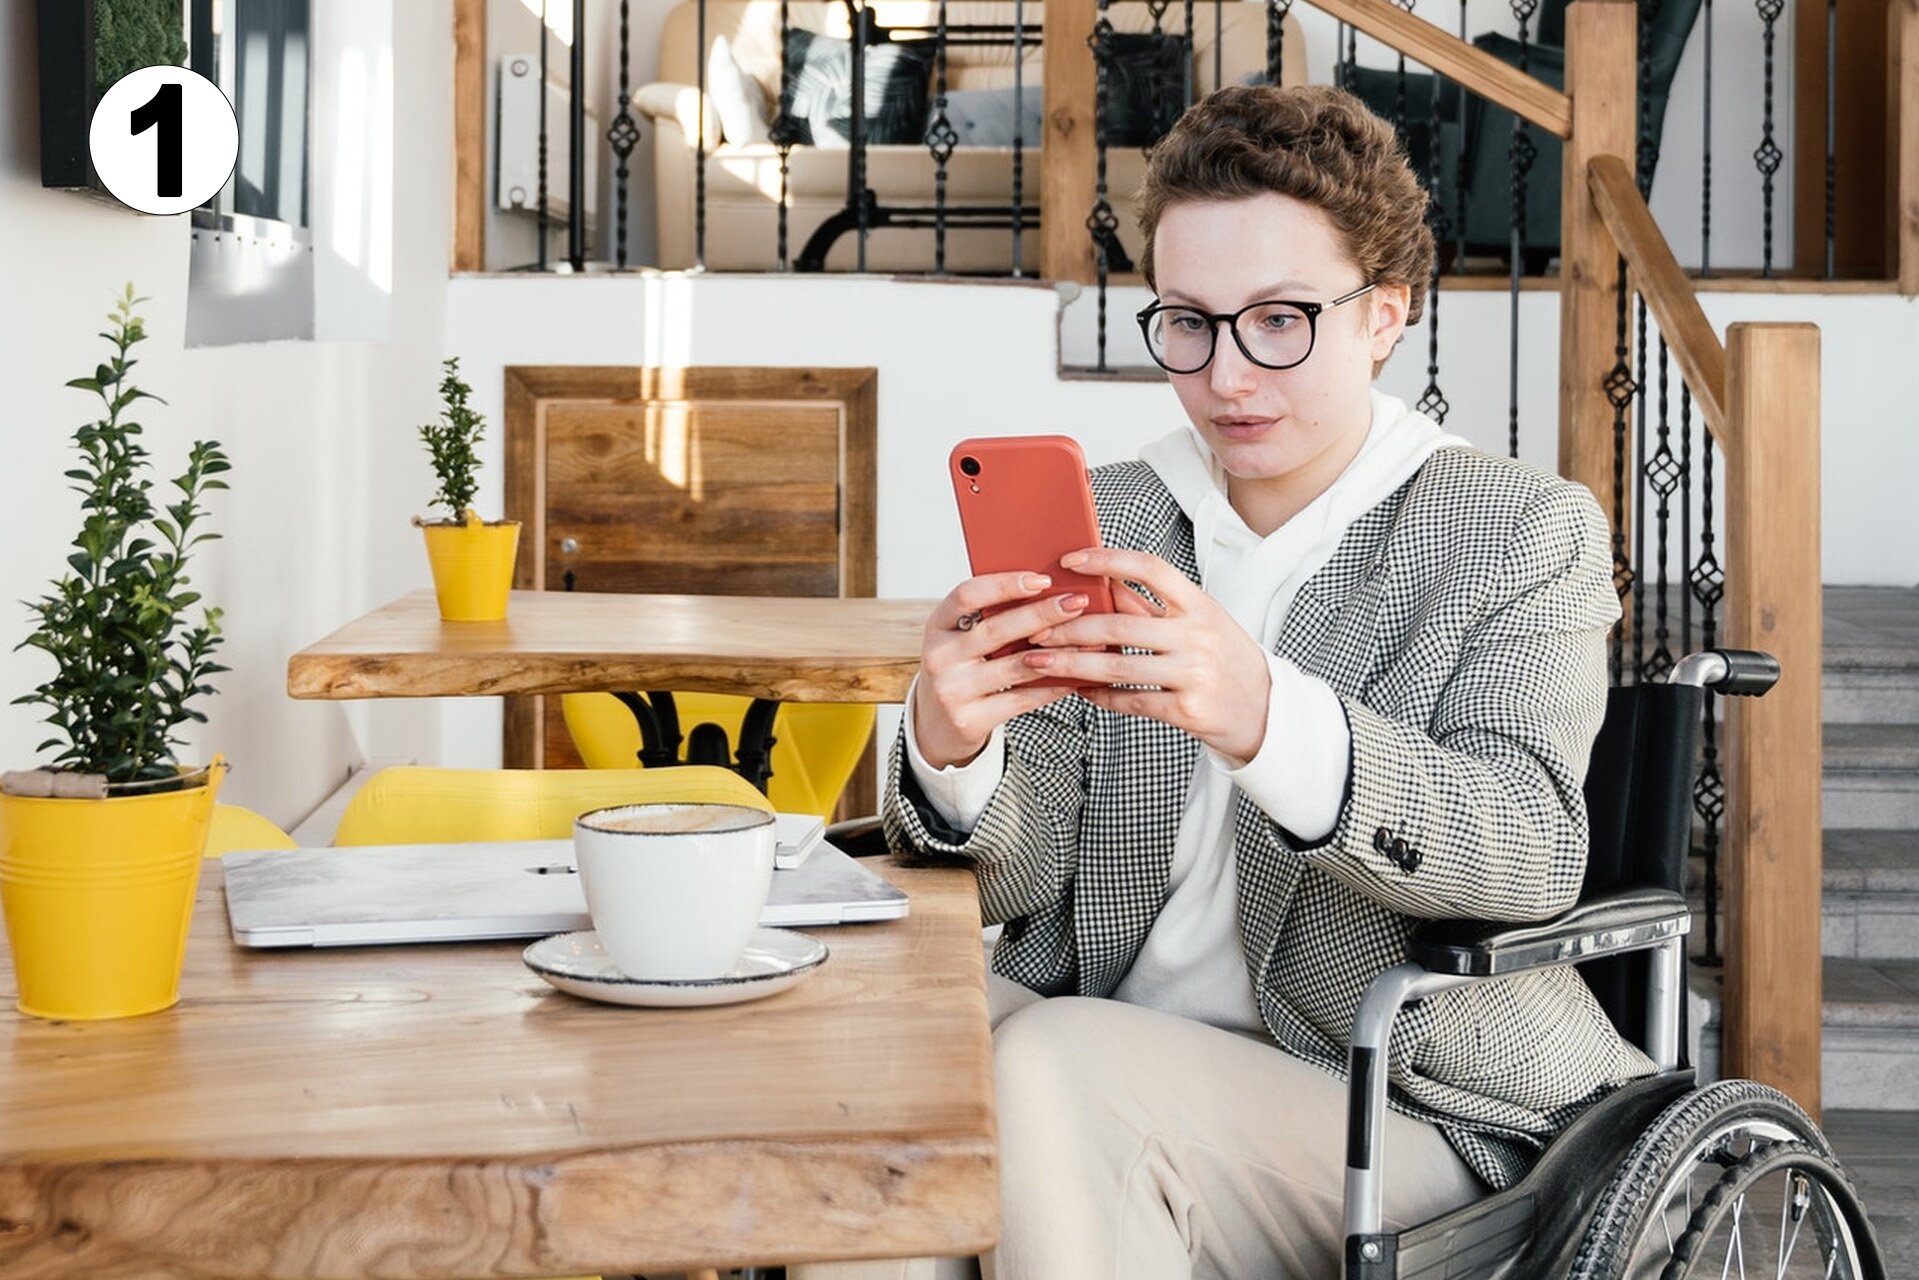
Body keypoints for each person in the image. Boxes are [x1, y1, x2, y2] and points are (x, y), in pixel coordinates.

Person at [802, 83, 1649, 1280]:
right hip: (1104, 1035)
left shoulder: (1514, 530)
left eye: (1280, 319)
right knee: (868, 1069)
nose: (1226, 373)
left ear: (1383, 317)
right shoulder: (1113, 513)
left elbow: (1525, 846)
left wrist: (1266, 717)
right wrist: (952, 753)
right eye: (1188, 321)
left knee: (1051, 1066)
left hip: (1398, 1101)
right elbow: (1020, 876)